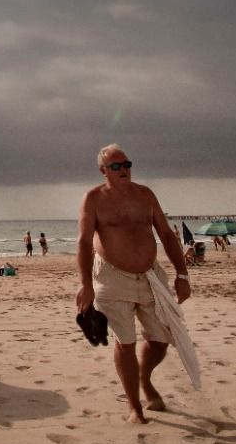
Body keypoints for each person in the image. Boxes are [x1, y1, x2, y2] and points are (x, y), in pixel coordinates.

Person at [76, 145, 191, 425]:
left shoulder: (145, 195)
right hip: (112, 278)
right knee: (125, 342)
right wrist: (86, 285)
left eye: (127, 164)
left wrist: (182, 274)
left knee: (161, 339)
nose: (123, 170)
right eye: (115, 166)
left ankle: (144, 378)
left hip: (151, 276)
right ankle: (135, 407)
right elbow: (83, 242)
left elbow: (165, 233)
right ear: (103, 171)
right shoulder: (93, 199)